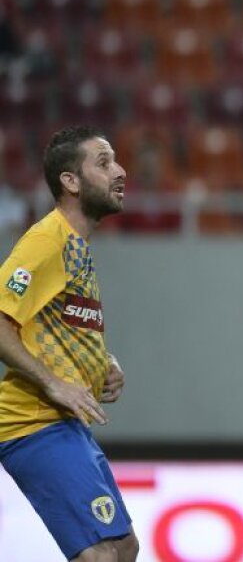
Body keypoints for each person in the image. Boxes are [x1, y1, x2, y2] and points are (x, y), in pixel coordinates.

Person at [0, 126, 138, 562]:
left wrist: (102, 362)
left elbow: (56, 322)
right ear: (70, 181)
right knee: (98, 556)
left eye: (115, 160)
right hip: (33, 423)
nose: (119, 171)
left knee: (124, 548)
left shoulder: (76, 246)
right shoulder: (45, 241)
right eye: (103, 162)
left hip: (65, 424)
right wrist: (53, 383)